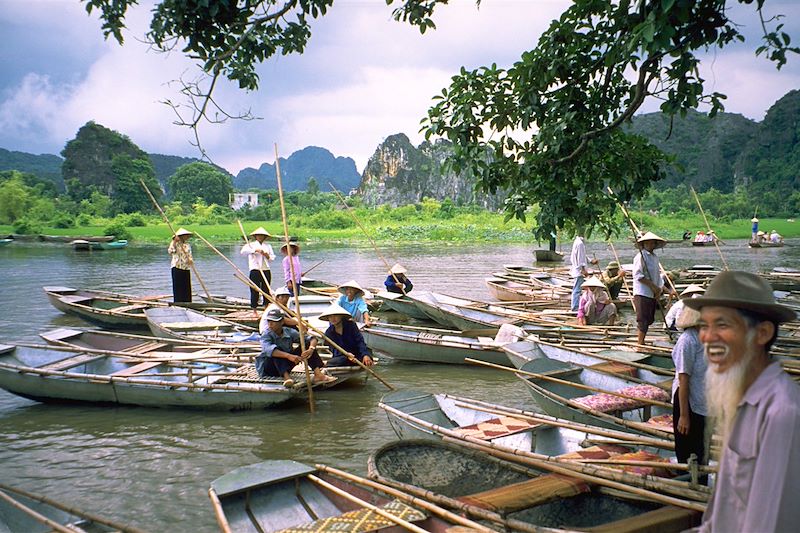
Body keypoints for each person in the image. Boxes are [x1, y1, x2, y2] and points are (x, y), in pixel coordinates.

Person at [684, 271, 799, 532]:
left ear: (762, 333)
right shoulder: (740, 400)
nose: (706, 337)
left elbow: (770, 523)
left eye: (722, 325)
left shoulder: (781, 413)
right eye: (704, 325)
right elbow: (723, 515)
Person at [669, 307, 708, 470]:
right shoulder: (688, 340)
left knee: (702, 451)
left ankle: (701, 488)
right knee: (687, 453)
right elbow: (683, 379)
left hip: (704, 401)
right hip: (687, 401)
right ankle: (687, 489)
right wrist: (684, 416)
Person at [257, 307, 334, 387]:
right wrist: (289, 356)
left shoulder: (288, 331)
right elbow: (269, 350)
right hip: (269, 368)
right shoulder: (266, 334)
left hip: (286, 365)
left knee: (306, 345)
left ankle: (318, 374)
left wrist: (311, 349)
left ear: (281, 322)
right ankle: (287, 378)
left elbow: (312, 338)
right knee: (277, 350)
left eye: (274, 321)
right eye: (269, 321)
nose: (270, 324)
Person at [632, 231, 671, 345]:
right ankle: (640, 343)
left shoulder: (654, 257)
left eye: (652, 243)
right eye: (647, 243)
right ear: (643, 244)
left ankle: (642, 340)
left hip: (652, 293)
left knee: (649, 319)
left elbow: (657, 277)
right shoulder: (641, 256)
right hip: (642, 292)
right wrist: (653, 286)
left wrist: (659, 289)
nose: (650, 245)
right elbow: (638, 276)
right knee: (643, 319)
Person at [240, 227, 275, 309]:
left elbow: (272, 258)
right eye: (258, 235)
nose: (260, 237)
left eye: (262, 235)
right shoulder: (251, 245)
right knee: (254, 290)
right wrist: (255, 250)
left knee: (266, 290)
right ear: (255, 236)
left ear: (264, 237)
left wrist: (266, 255)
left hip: (266, 270)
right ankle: (254, 309)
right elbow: (243, 252)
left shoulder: (268, 246)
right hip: (255, 270)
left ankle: (266, 307)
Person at [569, 231, 597, 312]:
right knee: (577, 289)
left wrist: (591, 261)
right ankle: (575, 307)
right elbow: (580, 258)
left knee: (577, 289)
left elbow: (583, 256)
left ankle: (576, 306)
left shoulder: (577, 242)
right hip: (579, 271)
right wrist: (583, 269)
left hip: (577, 269)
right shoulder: (580, 244)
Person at [167, 228, 194, 303]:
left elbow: (189, 255)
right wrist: (174, 241)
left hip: (185, 268)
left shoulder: (187, 245)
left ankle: (188, 303)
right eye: (185, 236)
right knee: (178, 287)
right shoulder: (175, 244)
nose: (186, 237)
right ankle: (178, 303)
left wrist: (190, 260)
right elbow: (171, 251)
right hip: (177, 267)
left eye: (187, 236)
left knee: (186, 287)